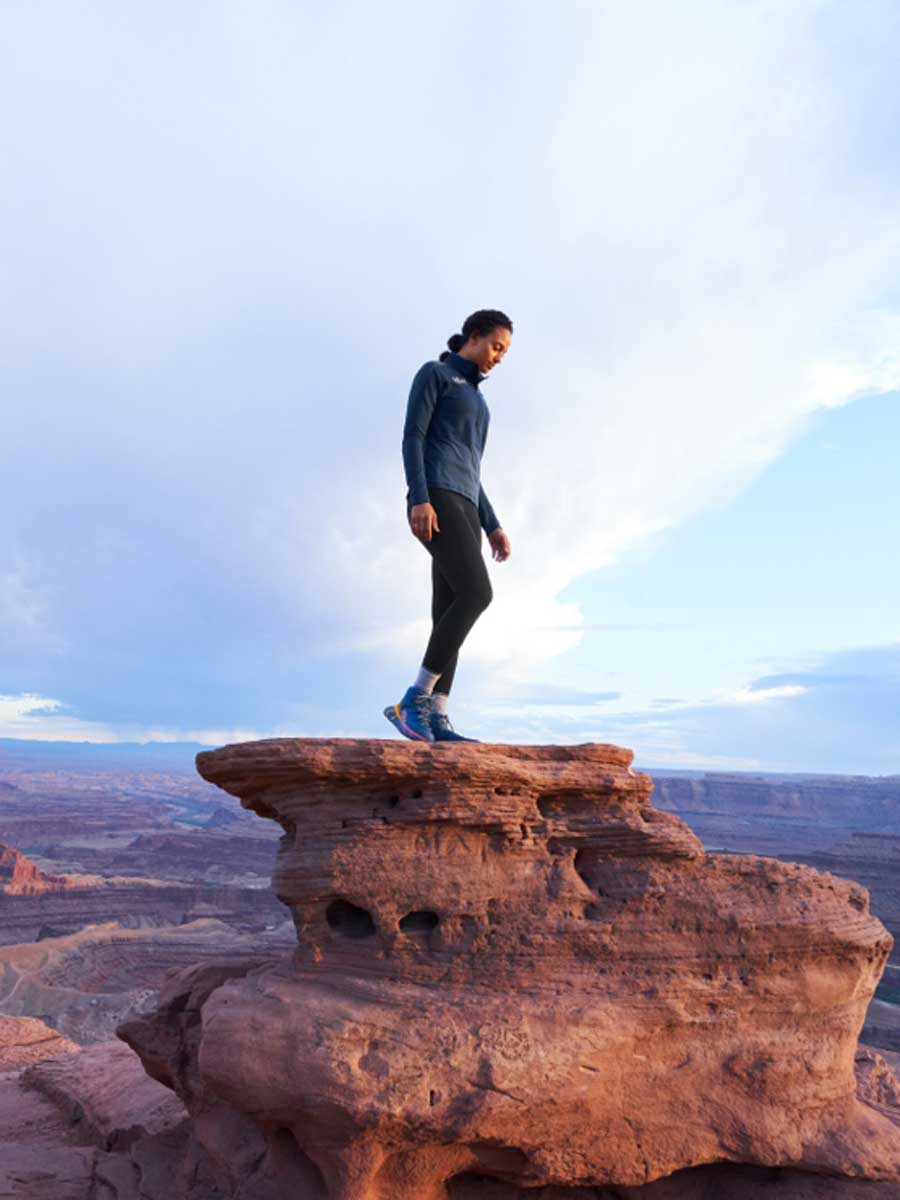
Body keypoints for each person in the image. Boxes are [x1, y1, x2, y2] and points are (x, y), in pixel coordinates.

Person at [383, 309, 513, 743]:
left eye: (504, 352)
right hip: (435, 496)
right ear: (474, 337)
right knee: (478, 593)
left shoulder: (481, 402)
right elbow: (413, 437)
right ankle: (414, 699)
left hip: (465, 507)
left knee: (449, 609)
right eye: (496, 346)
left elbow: (473, 469)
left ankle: (438, 715)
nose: (499, 357)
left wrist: (492, 524)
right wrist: (419, 497)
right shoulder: (436, 375)